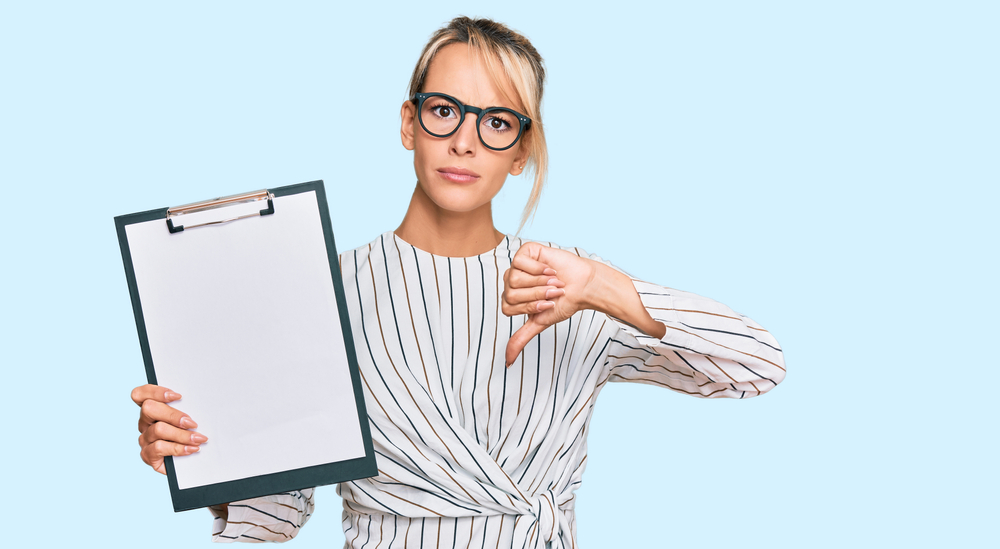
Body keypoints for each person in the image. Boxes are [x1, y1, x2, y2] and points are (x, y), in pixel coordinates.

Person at [130, 16, 786, 548]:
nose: (465, 141)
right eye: (445, 110)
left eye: (497, 122)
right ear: (409, 123)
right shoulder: (324, 291)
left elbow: (756, 366)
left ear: (522, 150)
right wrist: (200, 456)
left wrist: (605, 287)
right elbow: (275, 516)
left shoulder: (567, 284)